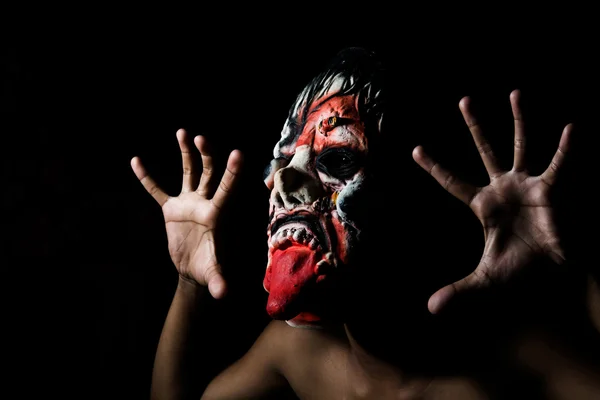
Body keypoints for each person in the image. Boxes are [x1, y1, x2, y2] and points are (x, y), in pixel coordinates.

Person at [131, 47, 600, 399]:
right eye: (281, 163)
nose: (282, 183)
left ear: (407, 199)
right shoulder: (299, 355)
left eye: (336, 159)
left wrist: (574, 266)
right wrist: (187, 283)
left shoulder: (515, 363)